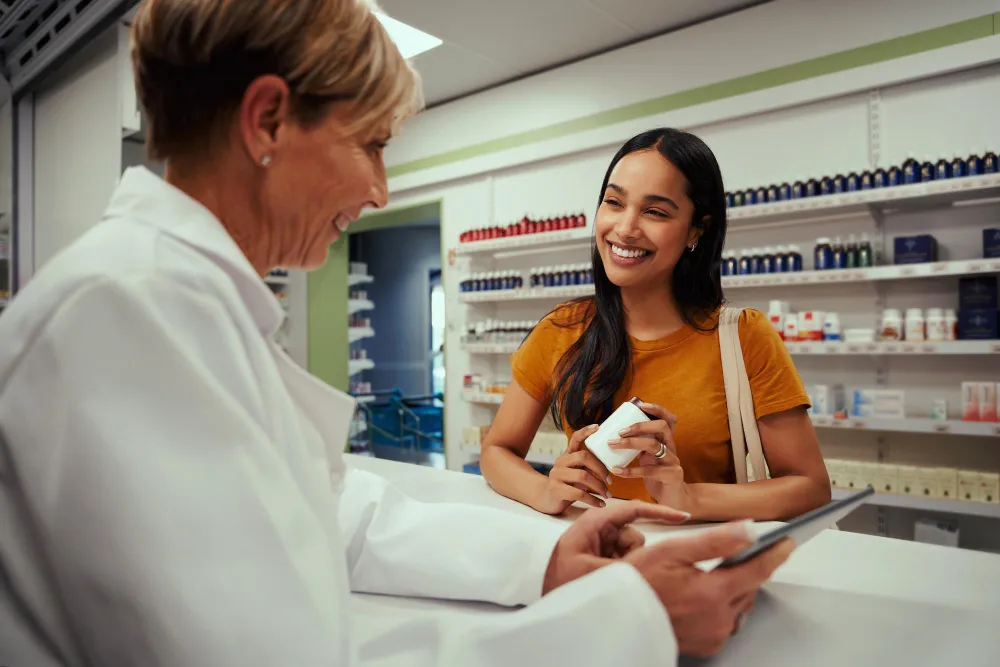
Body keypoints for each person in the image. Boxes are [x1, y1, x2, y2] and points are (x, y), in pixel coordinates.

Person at [0, 3, 794, 666]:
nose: (380, 190)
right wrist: (629, 621)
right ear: (267, 120)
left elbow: (335, 515)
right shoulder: (122, 315)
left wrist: (548, 557)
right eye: (373, 145)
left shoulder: (180, 302)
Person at [481, 128, 831, 519]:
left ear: (696, 229)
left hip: (698, 551)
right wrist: (544, 490)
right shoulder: (562, 330)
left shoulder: (744, 336)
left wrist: (689, 498)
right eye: (614, 202)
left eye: (655, 212)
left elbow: (810, 486)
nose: (625, 228)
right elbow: (496, 451)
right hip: (591, 546)